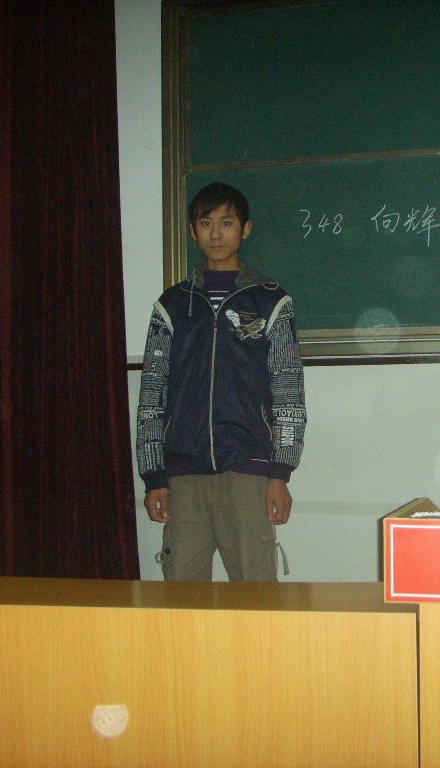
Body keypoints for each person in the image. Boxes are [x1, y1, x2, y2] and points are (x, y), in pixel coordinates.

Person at [136, 182, 306, 581]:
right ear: (192, 231)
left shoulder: (271, 302)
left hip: (248, 471)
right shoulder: (172, 306)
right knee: (183, 596)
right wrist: (154, 476)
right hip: (183, 474)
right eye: (205, 223)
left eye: (226, 223)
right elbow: (152, 394)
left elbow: (288, 391)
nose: (215, 233)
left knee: (255, 596)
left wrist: (280, 473)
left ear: (245, 229)